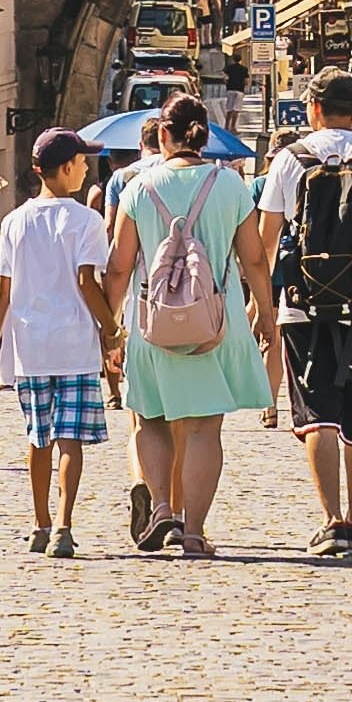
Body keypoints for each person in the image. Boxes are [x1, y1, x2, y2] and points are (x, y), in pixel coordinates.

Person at [248, 71, 352, 553]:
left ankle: (331, 519)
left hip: (302, 307)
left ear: (313, 109)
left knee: (318, 414)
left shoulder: (289, 159)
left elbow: (265, 242)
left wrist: (261, 304)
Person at [103, 94, 265, 560]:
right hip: (214, 321)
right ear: (205, 136)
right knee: (203, 429)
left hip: (152, 321)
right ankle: (194, 531)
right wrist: (267, 315)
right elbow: (253, 258)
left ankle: (160, 507)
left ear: (162, 136)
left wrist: (110, 323)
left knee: (150, 417)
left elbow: (118, 266)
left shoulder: (137, 187)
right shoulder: (230, 185)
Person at [0, 129, 125, 554]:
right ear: (66, 167)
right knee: (70, 439)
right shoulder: (86, 220)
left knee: (37, 437)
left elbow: (3, 292)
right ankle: (64, 524)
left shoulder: (14, 221)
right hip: (74, 342)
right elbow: (88, 281)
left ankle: (40, 523)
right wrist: (111, 331)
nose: (86, 168)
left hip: (29, 343)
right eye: (83, 161)